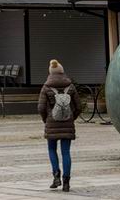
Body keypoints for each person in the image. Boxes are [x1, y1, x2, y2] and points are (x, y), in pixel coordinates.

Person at [38, 59, 81, 192]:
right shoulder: (71, 86)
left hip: (52, 122)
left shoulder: (46, 87)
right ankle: (66, 182)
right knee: (66, 152)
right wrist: (72, 118)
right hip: (68, 121)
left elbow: (41, 108)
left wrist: (46, 120)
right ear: (62, 72)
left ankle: (56, 176)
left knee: (52, 149)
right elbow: (79, 106)